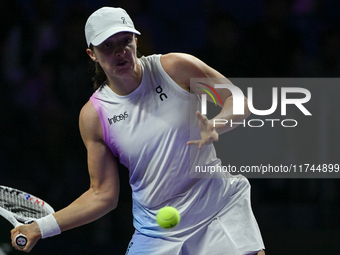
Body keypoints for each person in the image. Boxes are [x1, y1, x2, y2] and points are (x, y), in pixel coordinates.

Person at [11, 7, 265, 255]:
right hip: (156, 232)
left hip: (217, 208)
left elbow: (237, 99)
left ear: (136, 40)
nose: (120, 52)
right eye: (107, 46)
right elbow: (102, 195)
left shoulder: (175, 69)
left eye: (125, 41)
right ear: (92, 54)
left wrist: (217, 124)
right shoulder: (94, 116)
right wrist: (40, 227)